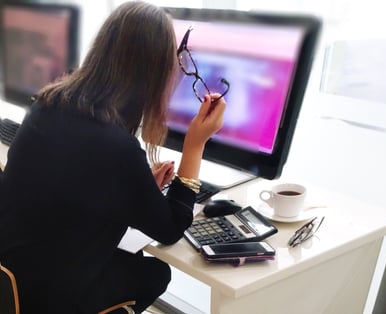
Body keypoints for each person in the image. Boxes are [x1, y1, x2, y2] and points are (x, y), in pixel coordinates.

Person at [0, 1, 226, 313]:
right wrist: (195, 145)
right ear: (153, 71)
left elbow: (74, 180)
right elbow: (172, 229)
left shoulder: (47, 105)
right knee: (155, 273)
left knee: (130, 260)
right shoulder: (116, 146)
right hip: (50, 297)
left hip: (12, 279)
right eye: (177, 62)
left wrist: (136, 185)